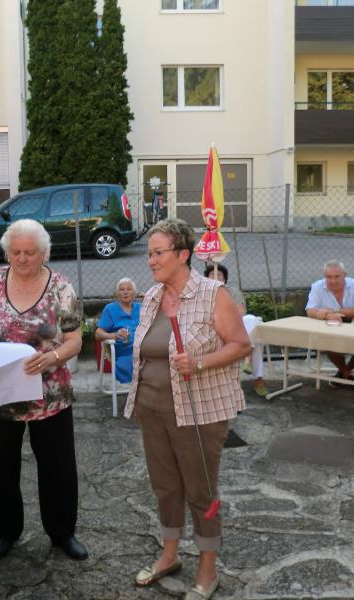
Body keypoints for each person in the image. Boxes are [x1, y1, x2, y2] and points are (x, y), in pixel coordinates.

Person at [125, 219, 251, 600]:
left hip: (199, 413)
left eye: (158, 253)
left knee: (201, 491)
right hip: (152, 408)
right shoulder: (151, 297)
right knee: (165, 486)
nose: (151, 260)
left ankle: (207, 569)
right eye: (149, 254)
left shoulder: (214, 294)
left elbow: (241, 345)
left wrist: (198, 363)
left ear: (183, 255)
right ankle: (169, 555)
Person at [0, 219, 87, 562]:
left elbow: (75, 340)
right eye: (15, 252)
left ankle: (62, 533)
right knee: (0, 468)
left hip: (50, 395)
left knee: (58, 469)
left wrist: (52, 358)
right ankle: (7, 531)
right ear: (7, 252)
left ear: (44, 253)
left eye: (30, 252)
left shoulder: (61, 287)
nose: (22, 258)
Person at [204, 263, 268, 397]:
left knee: (251, 319)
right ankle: (251, 364)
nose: (215, 277)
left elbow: (241, 312)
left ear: (224, 279)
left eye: (219, 275)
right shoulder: (203, 294)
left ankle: (253, 369)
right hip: (213, 329)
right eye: (212, 275)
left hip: (235, 327)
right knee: (255, 341)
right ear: (206, 279)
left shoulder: (233, 292)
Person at [305, 260, 354, 386]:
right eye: (329, 277)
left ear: (344, 275)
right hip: (331, 331)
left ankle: (343, 372)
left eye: (337, 276)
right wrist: (329, 316)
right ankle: (346, 374)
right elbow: (310, 310)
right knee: (330, 345)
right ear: (324, 276)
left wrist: (333, 311)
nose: (333, 281)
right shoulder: (317, 286)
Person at [94, 277, 141, 384]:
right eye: (121, 289)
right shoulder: (110, 309)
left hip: (143, 348)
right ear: (117, 294)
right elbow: (98, 334)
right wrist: (115, 335)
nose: (125, 292)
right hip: (124, 351)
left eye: (129, 289)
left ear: (134, 293)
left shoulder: (140, 307)